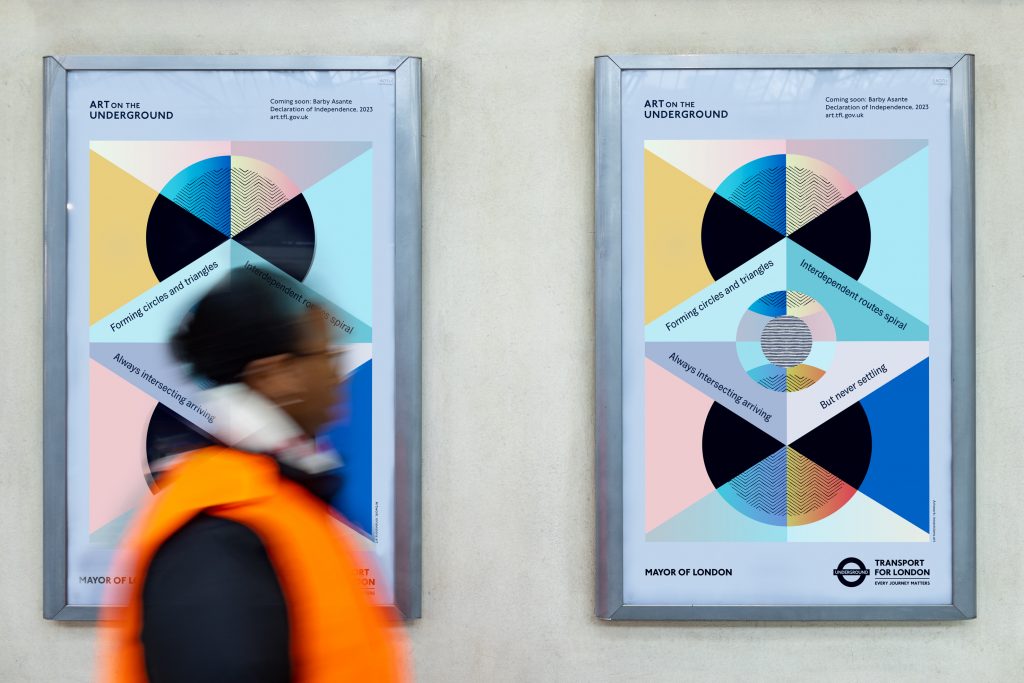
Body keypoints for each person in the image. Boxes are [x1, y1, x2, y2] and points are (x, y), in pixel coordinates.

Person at [98, 267, 406, 682]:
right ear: (274, 375)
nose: (337, 373)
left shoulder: (275, 499)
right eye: (326, 356)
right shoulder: (219, 530)